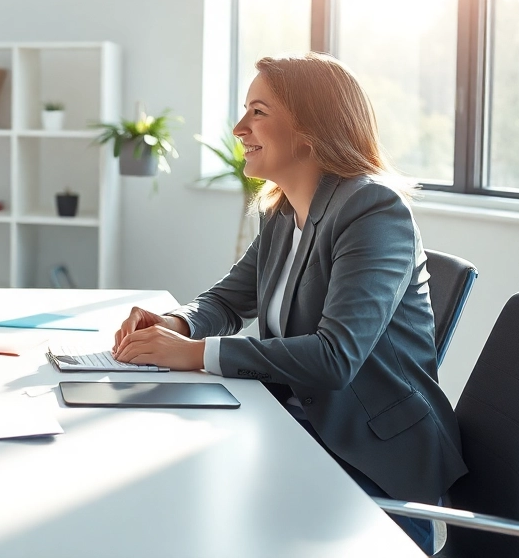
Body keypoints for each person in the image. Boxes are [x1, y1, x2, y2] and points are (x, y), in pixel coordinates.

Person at [112, 52, 465, 554]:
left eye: (258, 112)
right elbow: (228, 300)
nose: (239, 128)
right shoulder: (284, 212)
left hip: (370, 475)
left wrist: (193, 354)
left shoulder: (373, 211)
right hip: (298, 436)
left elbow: (334, 357)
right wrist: (177, 324)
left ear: (310, 129)